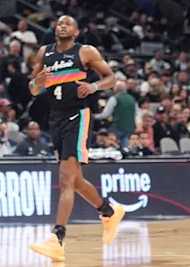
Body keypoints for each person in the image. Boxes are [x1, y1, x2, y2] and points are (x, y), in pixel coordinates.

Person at [28, 16, 124, 262]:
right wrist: (34, 84)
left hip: (77, 116)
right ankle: (108, 211)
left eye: (67, 23)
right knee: (76, 181)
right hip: (55, 119)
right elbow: (33, 87)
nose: (62, 25)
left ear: (76, 31)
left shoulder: (85, 52)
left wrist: (94, 87)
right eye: (59, 23)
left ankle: (57, 239)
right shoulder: (44, 53)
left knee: (65, 180)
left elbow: (111, 78)